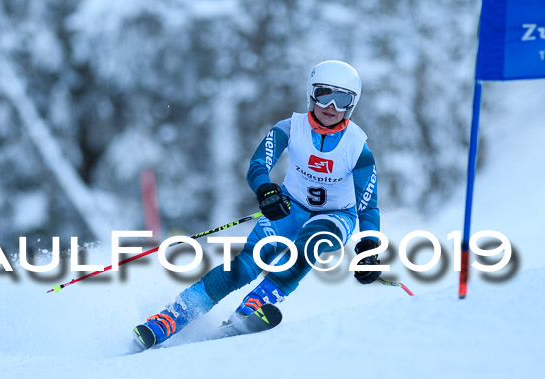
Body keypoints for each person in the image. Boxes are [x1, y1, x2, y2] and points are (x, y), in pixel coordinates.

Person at [134, 60, 382, 348]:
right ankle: (171, 317)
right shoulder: (290, 128)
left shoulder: (357, 148)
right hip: (289, 206)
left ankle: (251, 308)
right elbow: (258, 164)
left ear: (352, 105)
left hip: (336, 215)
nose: (331, 106)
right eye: (324, 93)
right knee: (246, 265)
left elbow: (368, 206)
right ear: (311, 93)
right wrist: (266, 191)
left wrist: (369, 249)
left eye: (342, 99)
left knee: (308, 246)